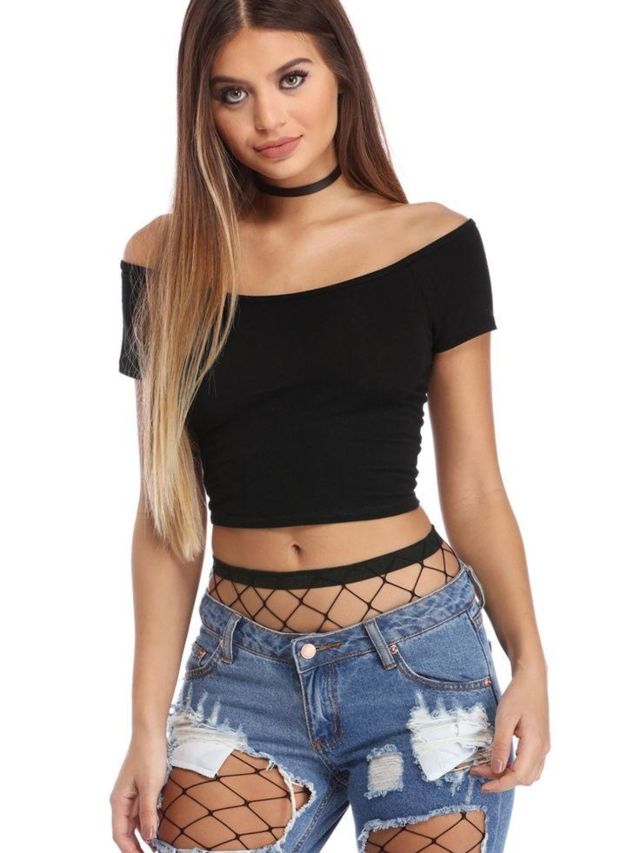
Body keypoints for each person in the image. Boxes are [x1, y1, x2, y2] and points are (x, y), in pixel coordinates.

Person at [110, 2, 550, 852]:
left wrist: (529, 660)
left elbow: (474, 485)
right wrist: (144, 724)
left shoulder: (431, 244)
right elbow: (167, 513)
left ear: (340, 71)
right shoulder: (163, 260)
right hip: (241, 671)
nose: (267, 118)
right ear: (201, 106)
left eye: (291, 78)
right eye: (232, 93)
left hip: (419, 660)